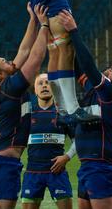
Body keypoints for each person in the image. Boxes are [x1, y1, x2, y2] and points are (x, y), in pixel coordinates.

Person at [57, 10, 112, 209]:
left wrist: (74, 31)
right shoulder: (96, 92)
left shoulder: (111, 94)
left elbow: (89, 67)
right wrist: (64, 42)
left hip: (101, 165)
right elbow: (80, 68)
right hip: (88, 165)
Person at [0, 3, 50, 209]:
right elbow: (35, 58)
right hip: (3, 163)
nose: (9, 59)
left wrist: (33, 20)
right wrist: (44, 26)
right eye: (3, 61)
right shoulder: (9, 86)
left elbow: (25, 49)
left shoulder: (6, 86)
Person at [21, 73, 76, 209]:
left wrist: (67, 157)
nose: (44, 85)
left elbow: (78, 140)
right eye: (40, 83)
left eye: (48, 83)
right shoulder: (28, 113)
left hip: (57, 173)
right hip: (33, 173)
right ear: (35, 90)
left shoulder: (63, 113)